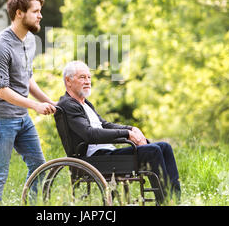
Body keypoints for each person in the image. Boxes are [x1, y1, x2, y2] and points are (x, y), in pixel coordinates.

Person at [57, 61, 181, 203]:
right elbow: (89, 134)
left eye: (89, 77)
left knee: (165, 147)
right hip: (93, 159)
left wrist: (131, 129)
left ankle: (176, 200)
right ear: (68, 81)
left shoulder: (85, 103)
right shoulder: (68, 104)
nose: (87, 81)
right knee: (152, 150)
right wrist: (126, 135)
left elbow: (104, 125)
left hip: (106, 154)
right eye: (82, 78)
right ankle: (165, 202)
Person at [0, 0, 56, 205]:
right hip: (0, 119)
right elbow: (1, 90)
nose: (40, 15)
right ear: (19, 13)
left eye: (40, 11)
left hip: (21, 117)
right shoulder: (1, 46)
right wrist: (35, 106)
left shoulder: (30, 40)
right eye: (35, 11)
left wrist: (50, 102)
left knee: (39, 168)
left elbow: (27, 80)